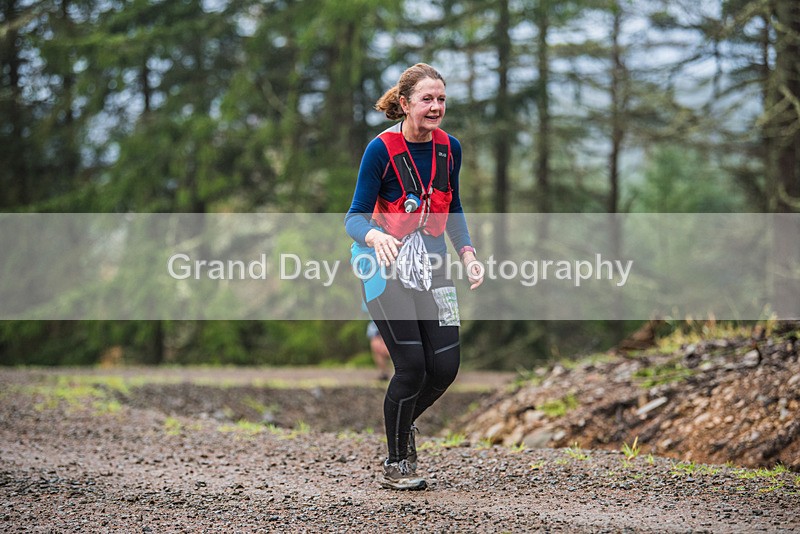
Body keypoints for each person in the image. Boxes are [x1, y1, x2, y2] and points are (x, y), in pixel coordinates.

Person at [345, 63, 484, 490]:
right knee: (411, 368)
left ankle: (401, 427)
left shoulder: (450, 149)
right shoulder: (380, 150)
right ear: (405, 104)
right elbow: (353, 218)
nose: (436, 106)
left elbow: (453, 206)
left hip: (435, 264)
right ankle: (396, 461)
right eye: (427, 99)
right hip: (383, 267)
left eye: (441, 99)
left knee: (444, 367)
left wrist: (467, 252)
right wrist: (373, 237)